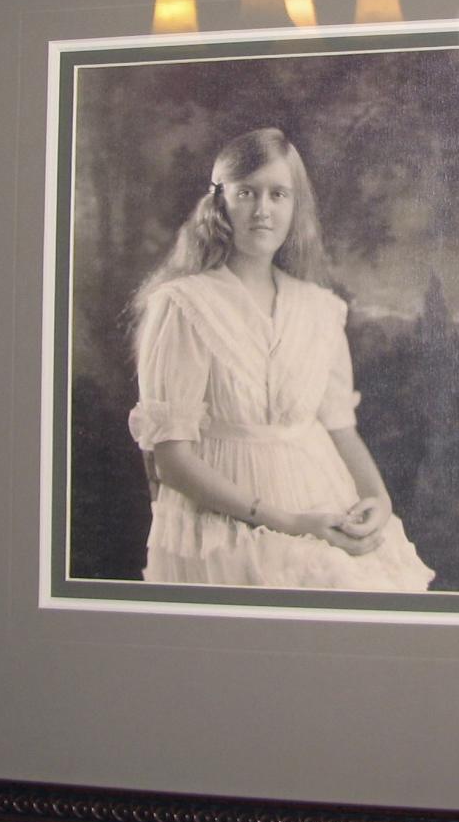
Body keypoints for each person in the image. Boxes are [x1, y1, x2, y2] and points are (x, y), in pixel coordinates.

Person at [128, 127, 434, 591]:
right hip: (224, 521)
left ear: (296, 206)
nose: (262, 210)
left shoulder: (319, 308)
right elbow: (170, 459)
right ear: (220, 202)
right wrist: (290, 521)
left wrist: (378, 499)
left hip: (324, 499)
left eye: (278, 194)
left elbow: (339, 427)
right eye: (246, 192)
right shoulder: (183, 305)